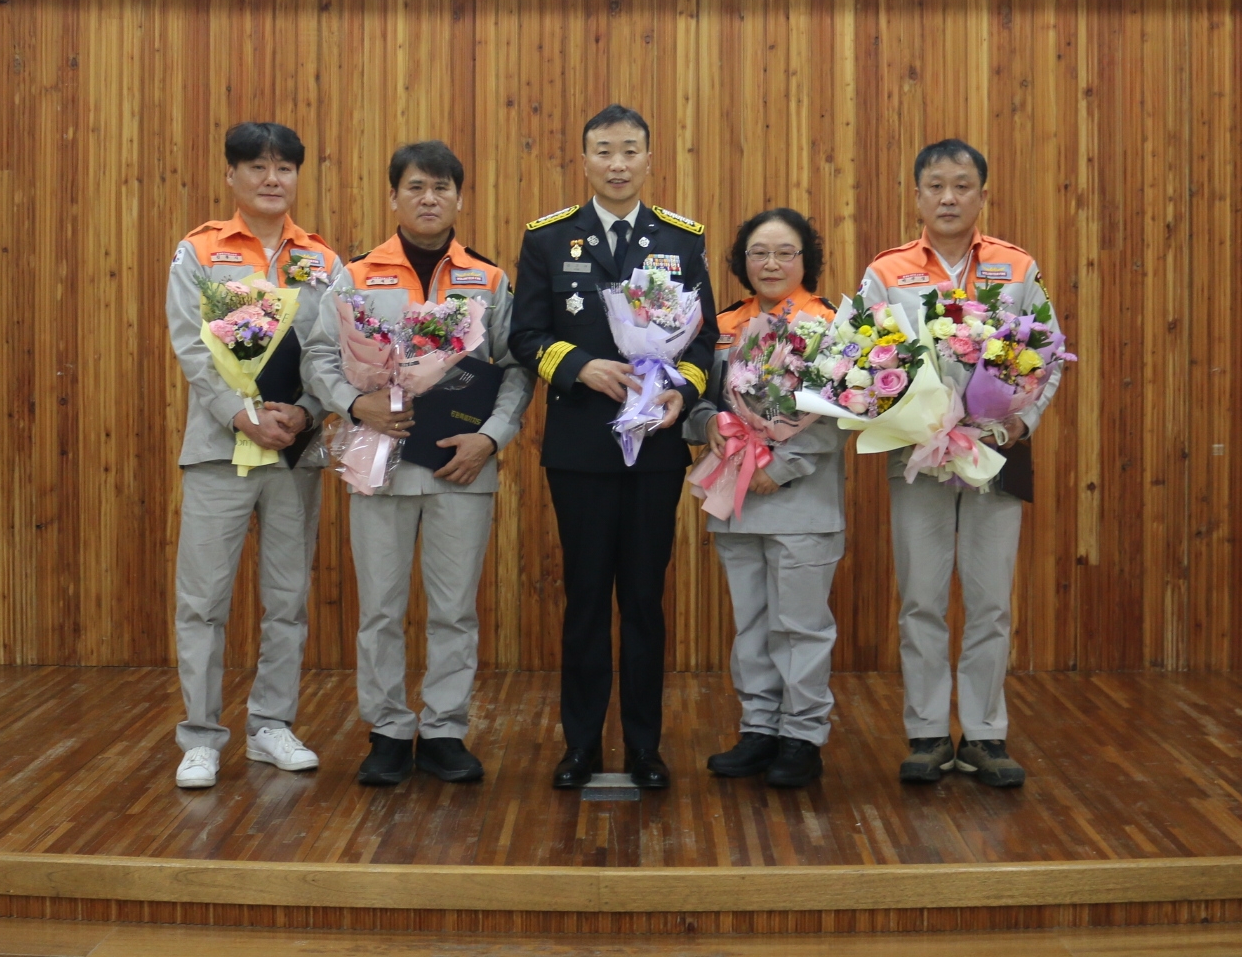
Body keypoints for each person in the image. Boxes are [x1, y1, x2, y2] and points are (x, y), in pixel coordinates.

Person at [302, 141, 534, 787]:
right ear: (393, 197)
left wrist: (491, 438)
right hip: (379, 464)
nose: (428, 198)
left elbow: (517, 368)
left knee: (455, 609)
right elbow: (319, 356)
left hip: (461, 467)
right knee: (380, 608)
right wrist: (356, 404)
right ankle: (386, 730)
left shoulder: (488, 279)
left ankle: (443, 731)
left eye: (440, 188)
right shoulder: (356, 274)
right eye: (415, 187)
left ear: (459, 197)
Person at [508, 105, 718, 790]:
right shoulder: (548, 239)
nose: (618, 163)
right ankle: (581, 746)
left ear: (650, 159)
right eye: (604, 150)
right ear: (585, 160)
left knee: (645, 601)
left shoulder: (681, 239)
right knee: (587, 597)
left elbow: (705, 341)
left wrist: (680, 393)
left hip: (655, 446)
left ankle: (645, 748)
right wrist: (579, 366)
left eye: (630, 150)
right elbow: (525, 335)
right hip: (580, 447)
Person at [860, 138, 1062, 789]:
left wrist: (1023, 421)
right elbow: (859, 357)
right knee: (921, 598)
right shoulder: (887, 272)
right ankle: (926, 732)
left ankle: (984, 734)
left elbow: (1048, 354)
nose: (949, 198)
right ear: (917, 196)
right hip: (918, 456)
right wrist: (898, 412)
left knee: (990, 600)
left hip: (995, 452)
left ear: (982, 194)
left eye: (962, 186)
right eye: (936, 187)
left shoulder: (1015, 266)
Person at [165, 121, 348, 790]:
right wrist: (240, 414)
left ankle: (272, 724)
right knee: (203, 601)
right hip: (220, 450)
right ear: (232, 176)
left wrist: (309, 410)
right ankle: (201, 736)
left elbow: (338, 351)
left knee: (287, 599)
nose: (273, 180)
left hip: (294, 453)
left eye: (284, 169)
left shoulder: (323, 261)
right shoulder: (200, 251)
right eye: (258, 167)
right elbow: (191, 345)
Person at [686, 209, 846, 788]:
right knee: (751, 623)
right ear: (742, 261)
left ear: (807, 260)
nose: (771, 263)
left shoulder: (830, 325)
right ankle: (759, 728)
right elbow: (696, 397)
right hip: (738, 498)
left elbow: (844, 411)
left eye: (784, 252)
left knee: (800, 626)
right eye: (759, 252)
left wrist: (782, 464)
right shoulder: (723, 326)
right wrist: (708, 425)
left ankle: (802, 736)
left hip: (802, 502)